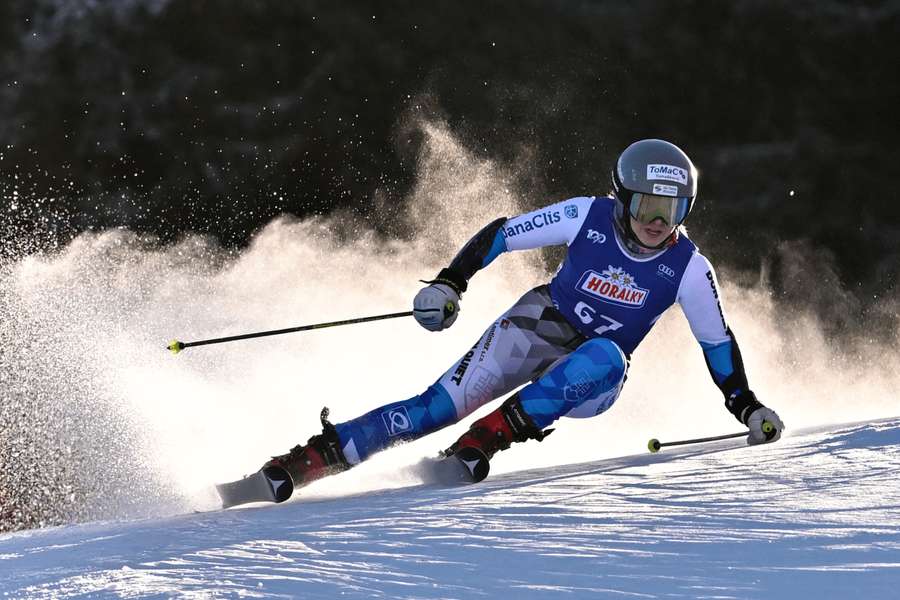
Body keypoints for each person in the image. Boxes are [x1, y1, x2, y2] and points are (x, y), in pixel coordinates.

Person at [263, 138, 785, 487]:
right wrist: (450, 283)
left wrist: (746, 407)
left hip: (592, 378)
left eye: (670, 210)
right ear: (622, 197)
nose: (656, 221)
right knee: (435, 407)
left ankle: (485, 439)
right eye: (647, 205)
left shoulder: (690, 268)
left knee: (604, 354)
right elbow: (504, 234)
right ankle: (312, 460)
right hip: (540, 322)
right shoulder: (587, 215)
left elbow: (717, 343)